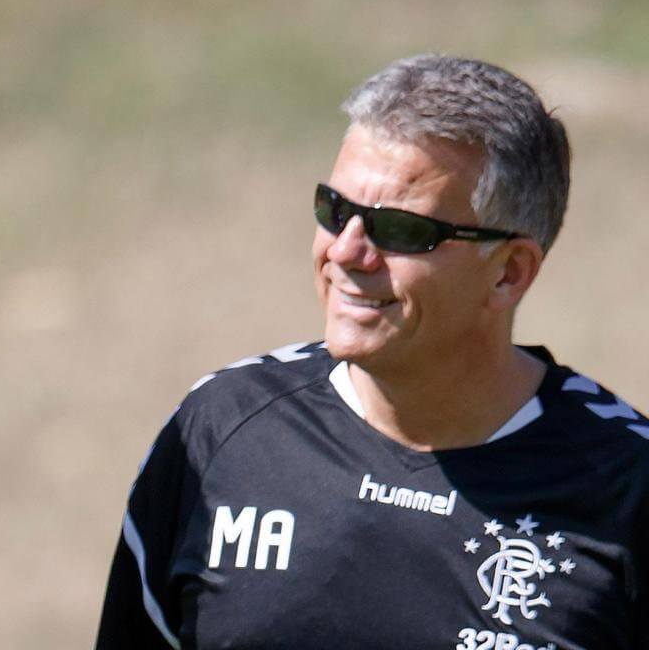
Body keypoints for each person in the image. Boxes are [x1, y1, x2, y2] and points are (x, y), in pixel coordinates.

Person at [95, 54, 649, 649]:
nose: (345, 252)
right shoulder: (220, 435)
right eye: (335, 211)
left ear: (508, 273)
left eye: (401, 230)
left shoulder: (628, 489)